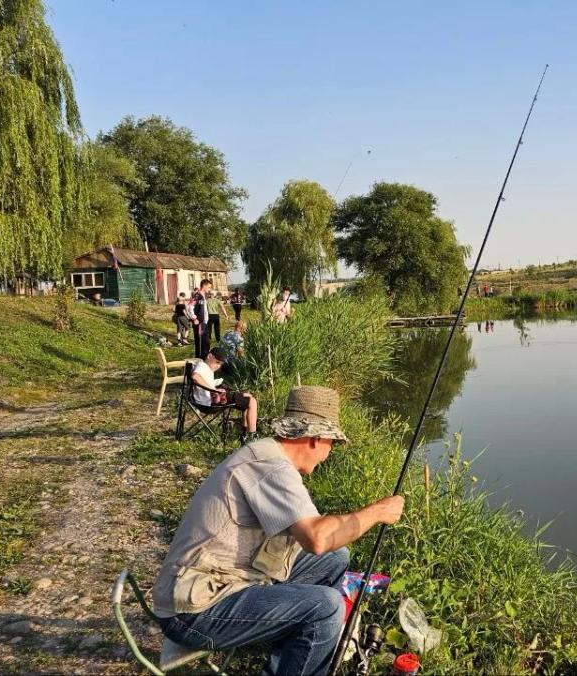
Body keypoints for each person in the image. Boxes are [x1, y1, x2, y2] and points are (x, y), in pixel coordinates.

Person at [153, 386, 404, 676]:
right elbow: (317, 538)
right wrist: (377, 512)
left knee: (335, 558)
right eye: (332, 443)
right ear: (316, 439)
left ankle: (292, 659)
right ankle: (310, 647)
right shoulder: (270, 467)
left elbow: (318, 539)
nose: (329, 453)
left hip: (226, 579)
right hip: (193, 611)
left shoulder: (268, 455)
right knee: (326, 607)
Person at [190, 346, 258, 434]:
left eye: (220, 364)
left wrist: (216, 386)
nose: (218, 366)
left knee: (248, 396)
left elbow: (203, 381)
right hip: (209, 403)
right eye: (217, 362)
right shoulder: (202, 366)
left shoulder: (205, 367)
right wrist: (213, 390)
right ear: (209, 356)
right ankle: (252, 435)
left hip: (210, 399)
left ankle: (245, 432)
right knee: (252, 401)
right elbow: (195, 377)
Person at [193, 280, 212, 359]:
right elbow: (189, 307)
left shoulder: (203, 296)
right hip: (200, 323)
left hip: (205, 323)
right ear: (204, 285)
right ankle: (199, 363)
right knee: (201, 344)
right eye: (209, 287)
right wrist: (194, 318)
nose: (209, 289)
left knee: (206, 343)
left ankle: (205, 362)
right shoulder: (197, 296)